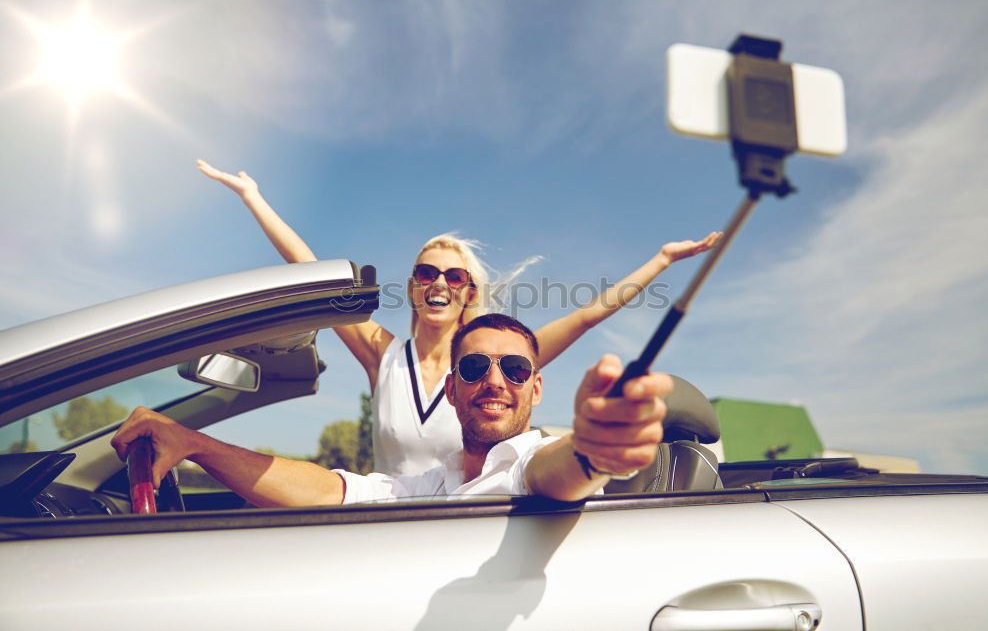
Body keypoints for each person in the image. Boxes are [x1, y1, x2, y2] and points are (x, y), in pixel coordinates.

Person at [196, 159, 716, 477]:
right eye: (426, 272)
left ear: (469, 293)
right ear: (413, 287)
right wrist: (253, 198)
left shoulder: (496, 362)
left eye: (455, 276)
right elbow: (312, 273)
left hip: (469, 524)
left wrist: (663, 260)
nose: (440, 282)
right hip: (392, 525)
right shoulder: (382, 352)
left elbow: (586, 317)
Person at [111, 314, 672, 504]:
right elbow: (329, 491)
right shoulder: (436, 481)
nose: (496, 381)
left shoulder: (532, 461)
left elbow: (561, 473)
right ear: (452, 389)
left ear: (537, 387)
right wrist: (196, 443)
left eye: (516, 369)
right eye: (475, 369)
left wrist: (596, 450)